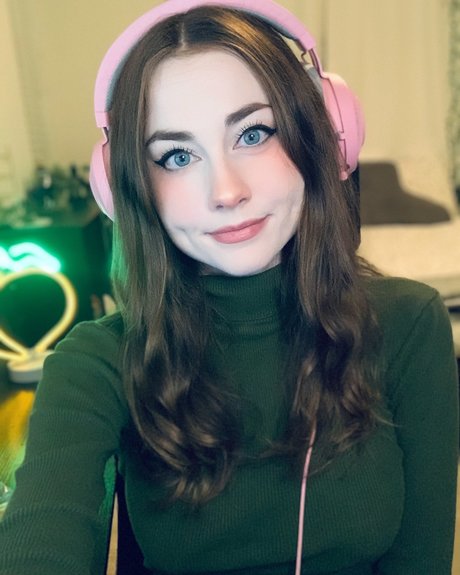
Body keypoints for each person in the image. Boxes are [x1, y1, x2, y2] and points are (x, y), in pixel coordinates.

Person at [0, 0, 458, 573]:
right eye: (176, 156)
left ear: (322, 136)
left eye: (253, 133)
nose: (226, 191)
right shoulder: (96, 362)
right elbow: (42, 533)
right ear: (127, 187)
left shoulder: (409, 325)